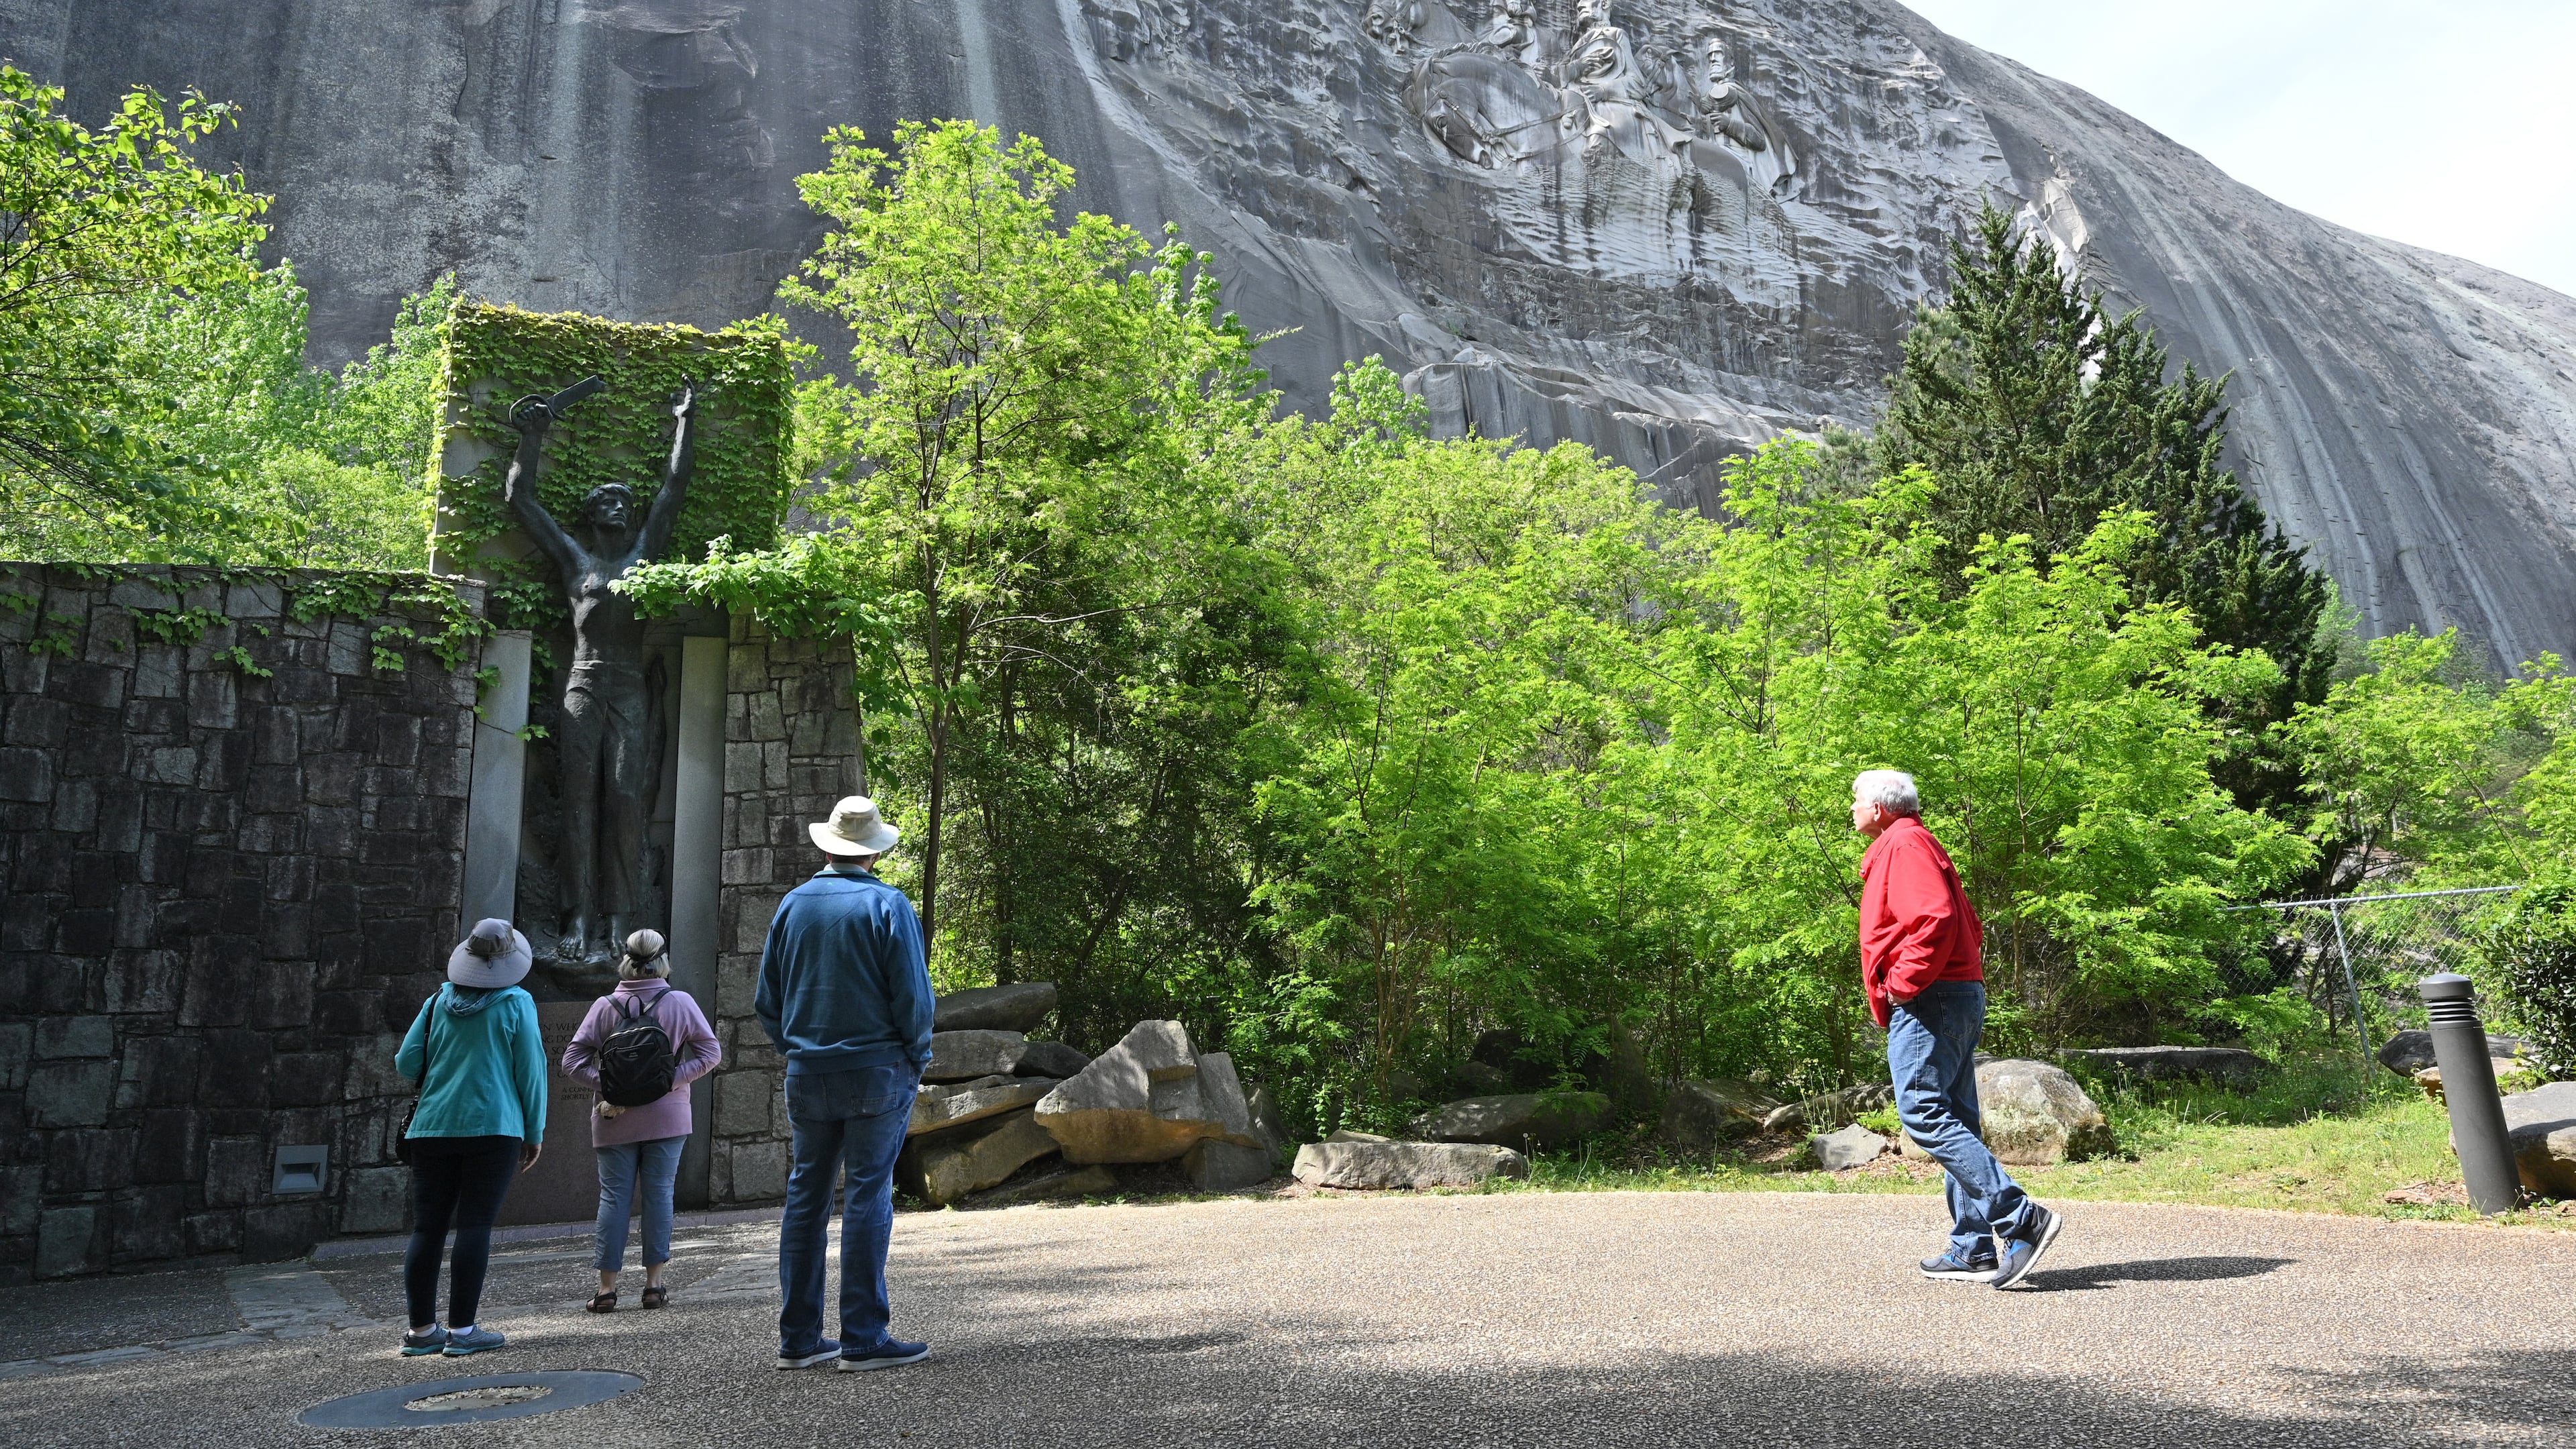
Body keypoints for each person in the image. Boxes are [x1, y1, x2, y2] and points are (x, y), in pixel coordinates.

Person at [1851, 769, 2063, 1289]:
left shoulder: (1902, 844)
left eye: (1855, 800)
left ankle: (2020, 1217)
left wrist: (1904, 981)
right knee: (1958, 1118)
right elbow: (1961, 921)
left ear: (1880, 807)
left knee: (1921, 1111)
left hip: (1932, 997)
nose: (1850, 809)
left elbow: (1935, 917)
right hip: (1952, 993)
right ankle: (1973, 1249)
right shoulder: (1913, 842)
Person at [754, 796, 935, 1372]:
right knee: (866, 1194)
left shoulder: (793, 905)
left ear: (827, 845)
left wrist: (797, 1049)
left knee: (806, 1198)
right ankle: (863, 1337)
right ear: (875, 852)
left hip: (808, 1073)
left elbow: (767, 1000)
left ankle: (800, 1338)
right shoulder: (888, 904)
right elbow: (912, 994)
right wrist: (917, 1055)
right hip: (878, 1068)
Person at [394, 918, 548, 1356]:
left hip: (432, 1126)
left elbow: (407, 1063)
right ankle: (463, 1332)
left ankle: (422, 1332)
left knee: (428, 1228)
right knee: (475, 1224)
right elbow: (531, 1073)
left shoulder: (437, 1001)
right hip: (494, 1126)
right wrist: (534, 1131)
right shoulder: (517, 1002)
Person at [562, 928, 722, 1313]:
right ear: (663, 960)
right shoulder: (679, 1002)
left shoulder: (605, 1006)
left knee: (614, 1198)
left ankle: (606, 1289)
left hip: (613, 1118)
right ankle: (654, 1286)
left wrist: (612, 1087)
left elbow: (572, 1062)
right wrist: (670, 1080)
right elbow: (711, 1052)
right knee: (659, 1196)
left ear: (626, 960)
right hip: (668, 1117)